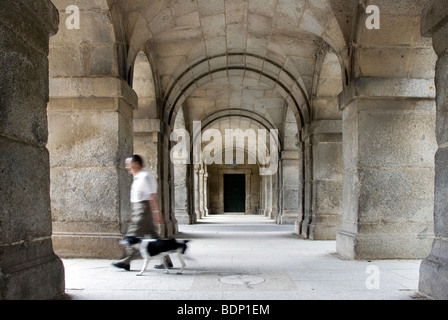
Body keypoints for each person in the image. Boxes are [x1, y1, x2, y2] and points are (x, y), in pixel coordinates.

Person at [113, 155, 172, 271]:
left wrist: (156, 212)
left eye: (128, 164)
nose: (126, 167)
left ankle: (126, 260)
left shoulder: (145, 176)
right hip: (140, 209)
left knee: (134, 234)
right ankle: (166, 260)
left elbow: (152, 195)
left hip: (143, 210)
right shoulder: (139, 176)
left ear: (136, 163)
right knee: (153, 237)